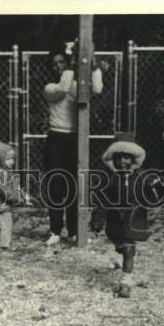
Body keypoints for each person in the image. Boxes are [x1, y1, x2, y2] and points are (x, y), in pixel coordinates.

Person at [42, 44, 103, 247]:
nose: (58, 66)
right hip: (56, 138)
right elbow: (63, 89)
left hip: (76, 138)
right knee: (56, 185)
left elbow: (97, 88)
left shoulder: (77, 84)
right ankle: (55, 230)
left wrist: (92, 67)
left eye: (62, 62)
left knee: (74, 186)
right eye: (55, 64)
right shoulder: (50, 88)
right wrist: (73, 64)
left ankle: (75, 231)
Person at [91, 137, 164, 298]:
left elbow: (156, 187)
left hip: (134, 218)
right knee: (119, 244)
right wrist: (97, 219)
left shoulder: (142, 176)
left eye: (126, 158)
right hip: (114, 220)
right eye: (118, 158)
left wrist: (159, 189)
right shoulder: (110, 179)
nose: (122, 161)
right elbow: (102, 201)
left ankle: (126, 281)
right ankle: (120, 250)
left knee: (129, 249)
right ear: (113, 160)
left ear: (133, 160)